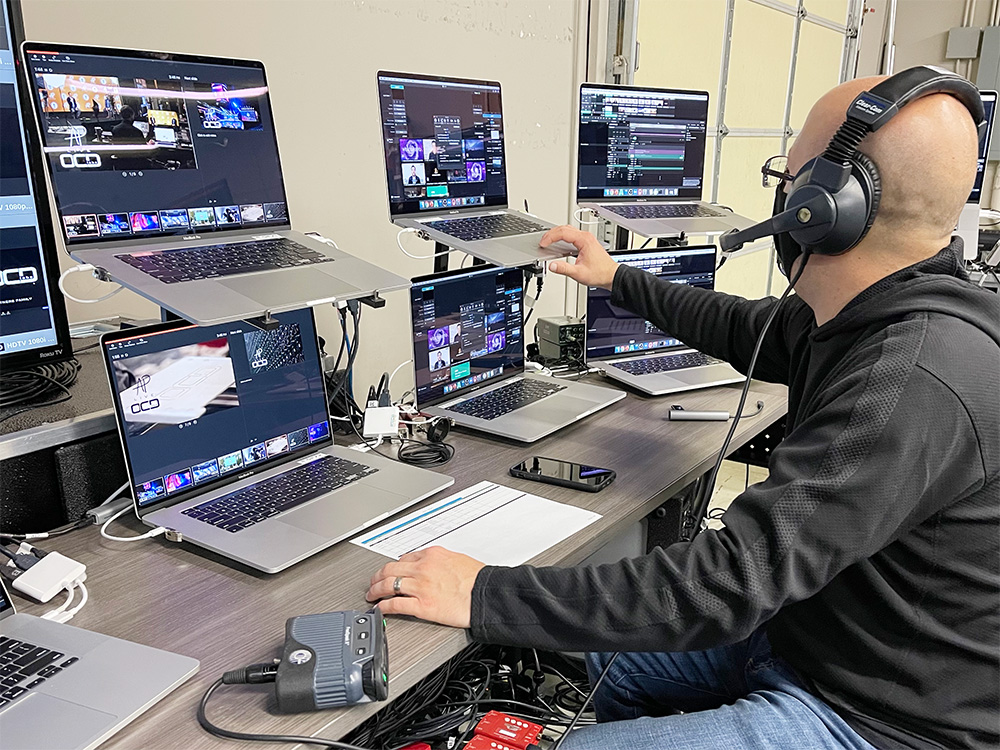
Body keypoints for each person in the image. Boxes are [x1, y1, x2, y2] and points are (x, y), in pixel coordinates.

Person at [367, 74, 999, 749]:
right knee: (615, 669)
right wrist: (616, 278)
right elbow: (740, 326)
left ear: (820, 208)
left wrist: (483, 594)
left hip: (879, 719)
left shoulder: (911, 379)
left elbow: (725, 584)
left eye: (787, 181)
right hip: (818, 641)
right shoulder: (879, 313)